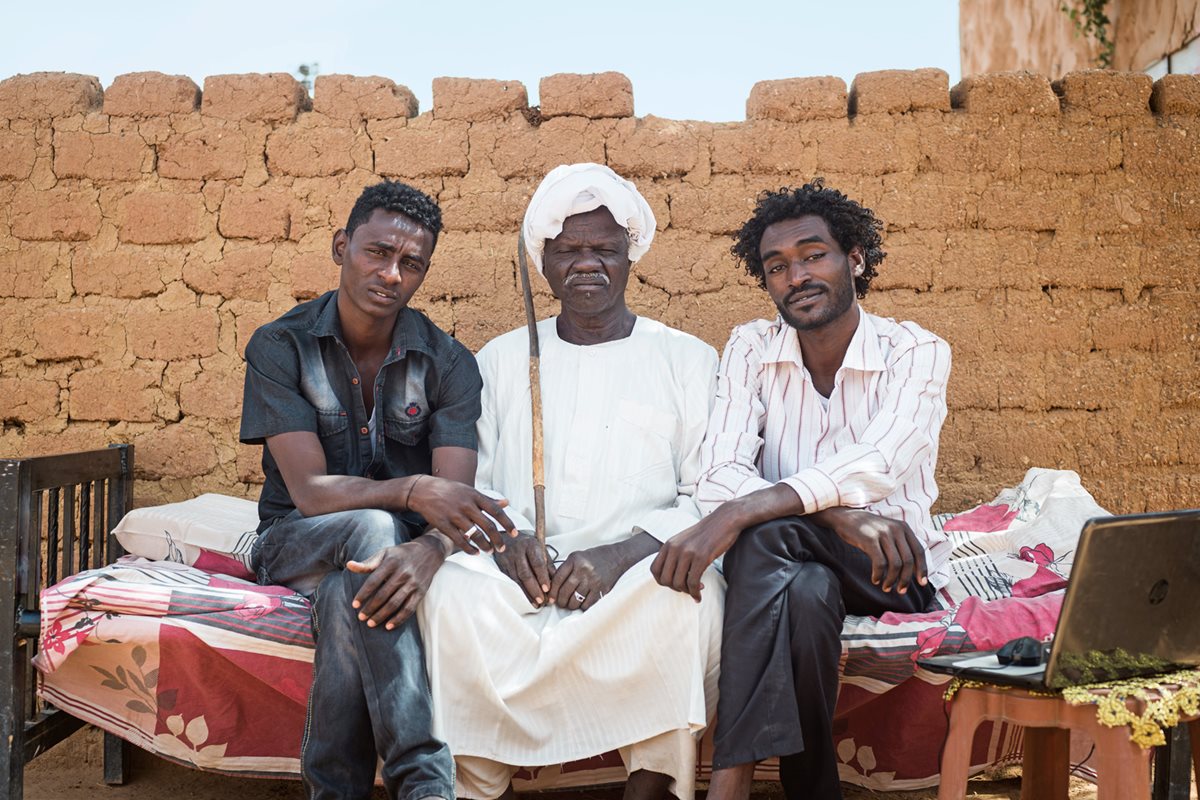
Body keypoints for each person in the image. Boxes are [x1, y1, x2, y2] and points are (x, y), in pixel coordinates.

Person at [418, 163, 724, 800]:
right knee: (449, 598)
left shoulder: (687, 359)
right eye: (569, 250)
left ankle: (652, 786)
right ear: (544, 264)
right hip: (519, 566)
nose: (587, 263)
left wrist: (619, 556)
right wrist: (507, 542)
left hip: (640, 565)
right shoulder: (501, 360)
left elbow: (709, 492)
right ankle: (475, 786)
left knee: (684, 601)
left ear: (630, 256)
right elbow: (473, 478)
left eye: (604, 249)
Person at [652, 180, 952, 800]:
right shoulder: (750, 348)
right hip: (806, 560)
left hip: (892, 567)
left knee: (761, 530)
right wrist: (838, 517)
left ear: (856, 259)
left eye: (814, 255)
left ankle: (730, 778)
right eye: (777, 266)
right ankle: (812, 789)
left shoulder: (915, 350)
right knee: (806, 587)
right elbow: (718, 471)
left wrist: (745, 510)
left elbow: (882, 460)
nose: (797, 275)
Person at [240, 180, 517, 800]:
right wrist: (415, 490)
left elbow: (458, 504)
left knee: (352, 587)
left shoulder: (447, 363)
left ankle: (334, 787)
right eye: (377, 252)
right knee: (373, 530)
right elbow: (310, 492)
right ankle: (421, 778)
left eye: (411, 263)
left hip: (373, 564)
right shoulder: (280, 346)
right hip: (291, 542)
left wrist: (431, 537)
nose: (392, 274)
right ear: (342, 247)